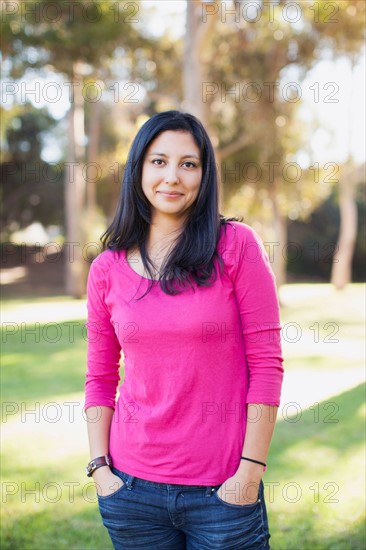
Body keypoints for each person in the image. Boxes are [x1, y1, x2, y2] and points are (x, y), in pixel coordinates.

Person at [84, 110, 284, 550]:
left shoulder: (237, 246)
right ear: (138, 169)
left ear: (204, 174)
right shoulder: (106, 269)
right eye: (158, 161)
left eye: (188, 163)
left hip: (224, 492)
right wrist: (101, 470)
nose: (172, 176)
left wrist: (249, 471)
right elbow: (100, 378)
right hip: (131, 490)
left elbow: (266, 365)